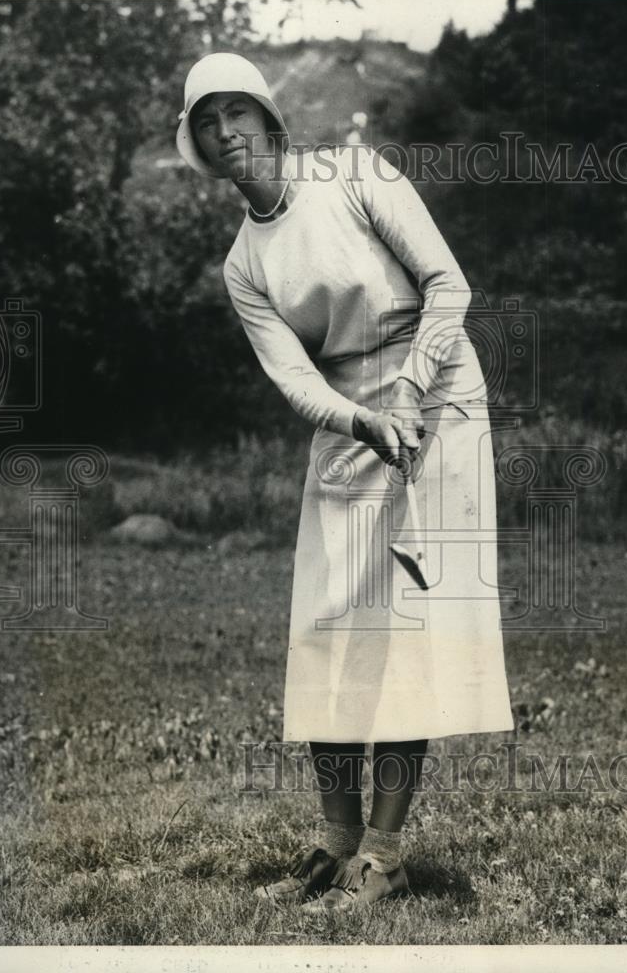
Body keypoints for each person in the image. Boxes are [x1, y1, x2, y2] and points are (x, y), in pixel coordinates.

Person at [176, 53, 514, 912]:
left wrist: (406, 395)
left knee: (403, 624)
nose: (228, 134)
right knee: (328, 622)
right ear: (204, 152)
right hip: (347, 418)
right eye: (208, 124)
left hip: (438, 399)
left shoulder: (357, 173)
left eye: (237, 113)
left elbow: (449, 283)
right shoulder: (243, 264)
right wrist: (363, 420)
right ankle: (334, 843)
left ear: (269, 120)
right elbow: (294, 378)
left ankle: (385, 854)